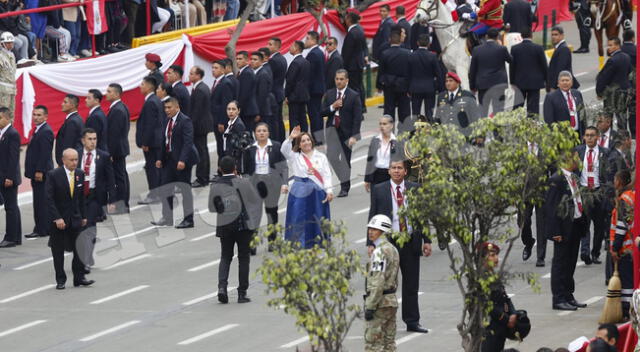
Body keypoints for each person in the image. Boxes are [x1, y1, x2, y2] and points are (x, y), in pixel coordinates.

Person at [368, 158, 432, 333]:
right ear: (388, 171)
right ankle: (384, 321)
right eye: (393, 168)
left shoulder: (415, 189)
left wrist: (427, 240)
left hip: (410, 240)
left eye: (399, 168)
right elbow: (372, 215)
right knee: (386, 284)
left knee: (411, 284)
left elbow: (422, 216)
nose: (396, 171)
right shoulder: (379, 190)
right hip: (388, 242)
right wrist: (371, 243)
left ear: (405, 171)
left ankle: (412, 321)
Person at [209, 156, 261, 304]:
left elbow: (212, 208)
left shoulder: (216, 185)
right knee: (243, 257)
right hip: (243, 225)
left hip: (225, 225)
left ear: (220, 169)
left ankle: (222, 288)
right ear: (235, 168)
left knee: (225, 256)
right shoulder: (243, 182)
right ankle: (242, 292)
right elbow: (253, 200)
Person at [545, 152, 588, 310]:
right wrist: (555, 231)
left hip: (575, 225)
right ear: (568, 160)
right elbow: (551, 207)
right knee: (560, 263)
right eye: (576, 157)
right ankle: (558, 298)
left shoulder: (573, 177)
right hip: (562, 228)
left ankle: (568, 295)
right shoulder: (556, 180)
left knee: (570, 263)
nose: (579, 160)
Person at [46, 148, 92, 290]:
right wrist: (57, 218)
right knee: (58, 251)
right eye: (71, 160)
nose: (74, 162)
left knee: (80, 248)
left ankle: (79, 278)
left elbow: (81, 198)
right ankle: (60, 279)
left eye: (76, 159)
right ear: (63, 160)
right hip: (59, 220)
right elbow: (49, 199)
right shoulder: (53, 175)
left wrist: (84, 216)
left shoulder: (80, 174)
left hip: (75, 218)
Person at [281, 126, 333, 248]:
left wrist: (329, 191)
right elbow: (284, 150)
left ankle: (318, 242)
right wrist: (290, 137)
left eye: (308, 140)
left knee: (316, 218)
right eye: (303, 141)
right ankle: (298, 243)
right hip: (299, 191)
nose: (306, 143)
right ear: (299, 145)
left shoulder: (321, 157)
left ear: (312, 141)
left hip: (317, 192)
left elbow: (327, 175)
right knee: (298, 218)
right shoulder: (295, 156)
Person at [152, 97, 199, 229]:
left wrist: (182, 160)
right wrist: (159, 158)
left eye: (169, 108)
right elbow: (164, 141)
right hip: (169, 160)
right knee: (166, 189)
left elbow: (188, 142)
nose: (166, 110)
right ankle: (167, 217)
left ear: (177, 107)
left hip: (182, 161)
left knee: (185, 190)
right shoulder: (167, 121)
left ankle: (189, 219)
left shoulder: (185, 121)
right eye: (165, 108)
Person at [241, 122, 288, 250]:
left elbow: (283, 167)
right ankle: (253, 243)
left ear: (268, 133)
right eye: (259, 131)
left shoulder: (276, 146)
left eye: (264, 131)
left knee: (271, 213)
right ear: (255, 134)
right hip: (255, 183)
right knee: (254, 213)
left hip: (272, 183)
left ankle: (273, 242)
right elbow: (245, 170)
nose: (261, 133)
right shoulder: (250, 149)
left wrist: (285, 183)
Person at [77, 128, 115, 268]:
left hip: (94, 196)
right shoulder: (77, 154)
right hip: (78, 198)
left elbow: (110, 179)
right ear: (83, 140)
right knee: (79, 228)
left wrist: (111, 200)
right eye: (89, 139)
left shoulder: (103, 156)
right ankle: (82, 255)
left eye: (95, 139)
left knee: (90, 228)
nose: (93, 142)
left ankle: (86, 259)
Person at [321, 69, 362, 198]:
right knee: (332, 157)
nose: (338, 81)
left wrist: (354, 136)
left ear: (347, 80)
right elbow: (322, 112)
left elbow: (357, 117)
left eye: (341, 79)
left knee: (345, 159)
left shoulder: (353, 95)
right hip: (332, 130)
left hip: (347, 132)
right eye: (337, 79)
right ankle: (343, 179)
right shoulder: (330, 94)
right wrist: (332, 106)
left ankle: (345, 187)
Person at [577, 126, 613, 265]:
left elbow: (609, 172)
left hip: (599, 192)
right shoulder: (579, 151)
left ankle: (595, 252)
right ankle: (585, 252)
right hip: (584, 191)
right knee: (584, 223)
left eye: (592, 135)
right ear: (584, 137)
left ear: (598, 137)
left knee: (599, 226)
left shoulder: (605, 153)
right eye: (587, 135)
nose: (589, 138)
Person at [364, 214, 400, 352]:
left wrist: (371, 305)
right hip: (391, 300)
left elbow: (377, 281)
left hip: (380, 302)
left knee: (373, 344)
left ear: (383, 232)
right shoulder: (393, 249)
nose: (371, 231)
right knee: (389, 343)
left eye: (375, 229)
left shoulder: (379, 252)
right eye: (370, 228)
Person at [480, 242, 516, 352]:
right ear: (482, 258)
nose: (496, 258)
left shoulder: (493, 275)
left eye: (496, 255)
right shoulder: (481, 278)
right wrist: (505, 318)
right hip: (490, 328)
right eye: (492, 255)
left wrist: (513, 313)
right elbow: (486, 304)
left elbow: (505, 297)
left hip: (500, 326)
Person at [25, 105, 54, 239]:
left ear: (45, 117)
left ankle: (42, 228)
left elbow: (45, 153)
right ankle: (43, 227)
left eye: (39, 115)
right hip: (37, 171)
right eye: (34, 114)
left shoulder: (46, 131)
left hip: (41, 173)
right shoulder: (37, 130)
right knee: (40, 200)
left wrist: (39, 171)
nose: (35, 117)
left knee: (41, 201)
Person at [469, 27, 512, 117]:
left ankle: (483, 130)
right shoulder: (502, 49)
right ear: (497, 37)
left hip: (483, 85)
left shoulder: (477, 50)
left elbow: (472, 70)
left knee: (483, 110)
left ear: (486, 36)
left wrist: (472, 86)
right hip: (499, 84)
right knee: (498, 111)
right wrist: (501, 45)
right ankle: (496, 131)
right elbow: (511, 60)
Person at [609, 170, 634, 318]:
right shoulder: (632, 196)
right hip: (630, 247)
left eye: (614, 179)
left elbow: (621, 226)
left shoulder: (624, 200)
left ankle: (626, 311)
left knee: (626, 283)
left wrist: (615, 247)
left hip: (625, 248)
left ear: (619, 182)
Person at [136, 76, 164, 204]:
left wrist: (145, 142)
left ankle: (154, 194)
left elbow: (150, 125)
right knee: (155, 168)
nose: (140, 87)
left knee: (152, 169)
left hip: (152, 142)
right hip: (156, 140)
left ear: (148, 87)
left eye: (142, 84)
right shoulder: (155, 100)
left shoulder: (151, 102)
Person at [509, 27, 548, 116]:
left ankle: (515, 123)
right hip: (535, 82)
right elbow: (544, 66)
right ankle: (532, 125)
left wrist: (512, 82)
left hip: (519, 81)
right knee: (533, 107)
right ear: (531, 35)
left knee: (518, 106)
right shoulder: (538, 48)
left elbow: (512, 66)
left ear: (521, 36)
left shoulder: (515, 49)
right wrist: (547, 81)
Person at [596, 38, 632, 131]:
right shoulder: (627, 57)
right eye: (609, 45)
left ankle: (609, 140)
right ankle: (623, 139)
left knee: (608, 117)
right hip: (624, 91)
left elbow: (604, 77)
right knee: (622, 117)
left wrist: (599, 92)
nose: (609, 48)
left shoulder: (612, 60)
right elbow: (629, 71)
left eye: (611, 45)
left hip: (612, 93)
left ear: (617, 46)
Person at [105, 83, 131, 214]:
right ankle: (123, 204)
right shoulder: (120, 107)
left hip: (117, 150)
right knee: (121, 176)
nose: (106, 94)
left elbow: (114, 134)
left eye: (109, 91)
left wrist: (110, 152)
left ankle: (122, 205)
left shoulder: (117, 110)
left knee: (119, 178)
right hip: (120, 148)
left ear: (116, 94)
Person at [188, 66, 213, 188]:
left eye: (192, 74)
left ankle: (202, 177)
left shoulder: (199, 90)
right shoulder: (201, 87)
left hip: (199, 125)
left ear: (198, 75)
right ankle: (203, 177)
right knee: (203, 150)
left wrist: (190, 127)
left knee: (201, 152)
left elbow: (196, 112)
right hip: (202, 124)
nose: (190, 75)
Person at [379, 27, 410, 123]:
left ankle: (388, 132)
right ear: (399, 41)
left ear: (390, 40)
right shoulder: (407, 53)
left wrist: (379, 85)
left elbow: (381, 71)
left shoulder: (385, 54)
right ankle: (404, 132)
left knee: (389, 110)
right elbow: (409, 71)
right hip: (403, 85)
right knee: (404, 111)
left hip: (389, 85)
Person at [408, 34, 442, 121]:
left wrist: (408, 88)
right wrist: (439, 88)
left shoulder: (411, 56)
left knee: (415, 113)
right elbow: (438, 74)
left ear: (417, 43)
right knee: (429, 113)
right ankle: (429, 131)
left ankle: (415, 132)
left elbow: (408, 73)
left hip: (415, 88)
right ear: (429, 43)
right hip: (430, 88)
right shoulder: (432, 56)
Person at [0, 106, 21, 248]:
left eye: (0, 117)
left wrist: (9, 177)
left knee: (11, 207)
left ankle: (12, 237)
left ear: (7, 118)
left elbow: (13, 158)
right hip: (2, 176)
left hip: (9, 178)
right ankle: (15, 236)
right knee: (11, 206)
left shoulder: (12, 133)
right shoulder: (2, 132)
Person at [435, 72, 480, 137]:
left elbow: (474, 117)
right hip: (445, 135)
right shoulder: (441, 96)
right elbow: (438, 116)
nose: (448, 83)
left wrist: (477, 135)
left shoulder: (468, 96)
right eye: (446, 81)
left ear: (458, 83)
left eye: (451, 81)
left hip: (463, 134)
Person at [543, 71, 586, 137]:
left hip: (577, 134)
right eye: (562, 81)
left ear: (571, 83)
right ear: (558, 83)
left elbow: (582, 115)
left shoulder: (577, 94)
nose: (565, 82)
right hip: (562, 137)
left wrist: (584, 132)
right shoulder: (551, 97)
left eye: (567, 80)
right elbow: (549, 120)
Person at [365, 115, 400, 193]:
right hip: (376, 175)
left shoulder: (397, 142)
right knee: (375, 203)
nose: (381, 126)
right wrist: (367, 179)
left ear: (391, 126)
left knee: (388, 201)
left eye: (384, 124)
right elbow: (370, 160)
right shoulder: (375, 140)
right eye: (380, 124)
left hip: (390, 175)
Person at [211, 60, 236, 159]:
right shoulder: (216, 82)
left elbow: (226, 104)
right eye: (212, 68)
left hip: (221, 120)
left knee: (223, 145)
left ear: (223, 70)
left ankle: (224, 168)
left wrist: (222, 121)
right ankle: (221, 167)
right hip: (215, 119)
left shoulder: (226, 83)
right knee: (219, 144)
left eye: (216, 68)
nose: (213, 70)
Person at [304, 31, 326, 144]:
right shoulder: (319, 52)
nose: (305, 41)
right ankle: (319, 137)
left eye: (307, 39)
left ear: (313, 40)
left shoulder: (313, 54)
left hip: (313, 90)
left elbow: (310, 74)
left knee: (315, 115)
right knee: (317, 114)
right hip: (318, 88)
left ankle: (317, 138)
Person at [251, 51, 276, 144]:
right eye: (251, 59)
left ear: (261, 62)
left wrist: (257, 112)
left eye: (255, 59)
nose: (252, 61)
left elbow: (262, 95)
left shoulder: (263, 74)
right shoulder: (256, 73)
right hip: (260, 110)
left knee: (263, 134)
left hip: (262, 111)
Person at [285, 40, 310, 132]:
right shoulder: (306, 62)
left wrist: (287, 95)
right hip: (303, 96)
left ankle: (295, 141)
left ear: (296, 48)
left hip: (294, 97)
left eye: (291, 46)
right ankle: (304, 137)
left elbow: (290, 81)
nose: (289, 48)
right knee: (303, 119)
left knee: (294, 120)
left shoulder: (295, 63)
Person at [547, 26, 580, 91]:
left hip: (561, 86)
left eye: (556, 35)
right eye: (552, 35)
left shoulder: (563, 49)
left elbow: (560, 69)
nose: (553, 37)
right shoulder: (559, 47)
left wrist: (554, 86)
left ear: (562, 36)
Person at [267, 37, 287, 142]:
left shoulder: (273, 61)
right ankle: (281, 139)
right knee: (279, 120)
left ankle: (276, 141)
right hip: (279, 93)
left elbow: (270, 79)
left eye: (270, 44)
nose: (268, 46)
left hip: (274, 94)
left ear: (277, 46)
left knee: (274, 120)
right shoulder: (282, 58)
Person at [55, 94, 84, 166]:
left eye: (65, 102)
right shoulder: (76, 118)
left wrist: (63, 163)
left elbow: (68, 145)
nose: (62, 104)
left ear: (72, 105)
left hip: (69, 163)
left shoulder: (72, 121)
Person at [236, 51, 259, 131]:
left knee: (247, 134)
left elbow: (244, 94)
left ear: (246, 60)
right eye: (237, 59)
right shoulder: (243, 72)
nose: (237, 61)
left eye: (240, 59)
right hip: (246, 109)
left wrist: (238, 108)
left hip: (247, 110)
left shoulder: (247, 73)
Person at [222, 100, 247, 171]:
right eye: (228, 109)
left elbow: (239, 146)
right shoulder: (230, 123)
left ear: (238, 111)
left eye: (233, 109)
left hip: (234, 159)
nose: (231, 111)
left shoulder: (238, 124)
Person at [0, 32, 16, 117]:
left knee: (11, 114)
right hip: (3, 91)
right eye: (8, 43)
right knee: (3, 115)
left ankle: (9, 130)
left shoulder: (12, 55)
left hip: (12, 89)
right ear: (2, 44)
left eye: (11, 42)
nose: (10, 45)